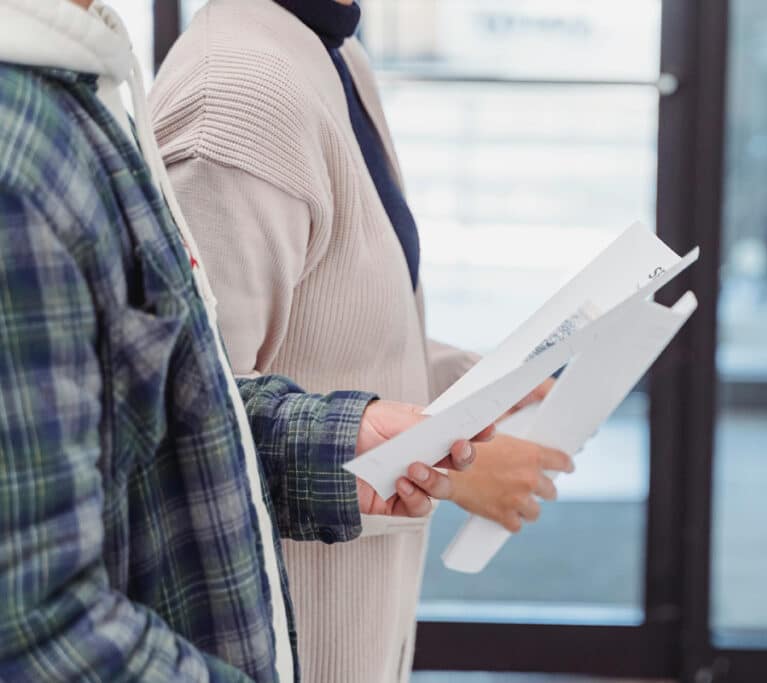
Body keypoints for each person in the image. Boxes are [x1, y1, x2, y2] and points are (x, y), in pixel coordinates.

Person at [0, 1, 488, 680]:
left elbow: (177, 406)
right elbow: (38, 628)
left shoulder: (85, 73)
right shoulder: (228, 92)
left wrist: (339, 441)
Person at [150, 0, 575, 681]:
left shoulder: (333, 52)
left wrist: (473, 382)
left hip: (359, 611)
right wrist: (455, 465)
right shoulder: (238, 95)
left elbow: (340, 327)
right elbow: (193, 433)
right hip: (287, 634)